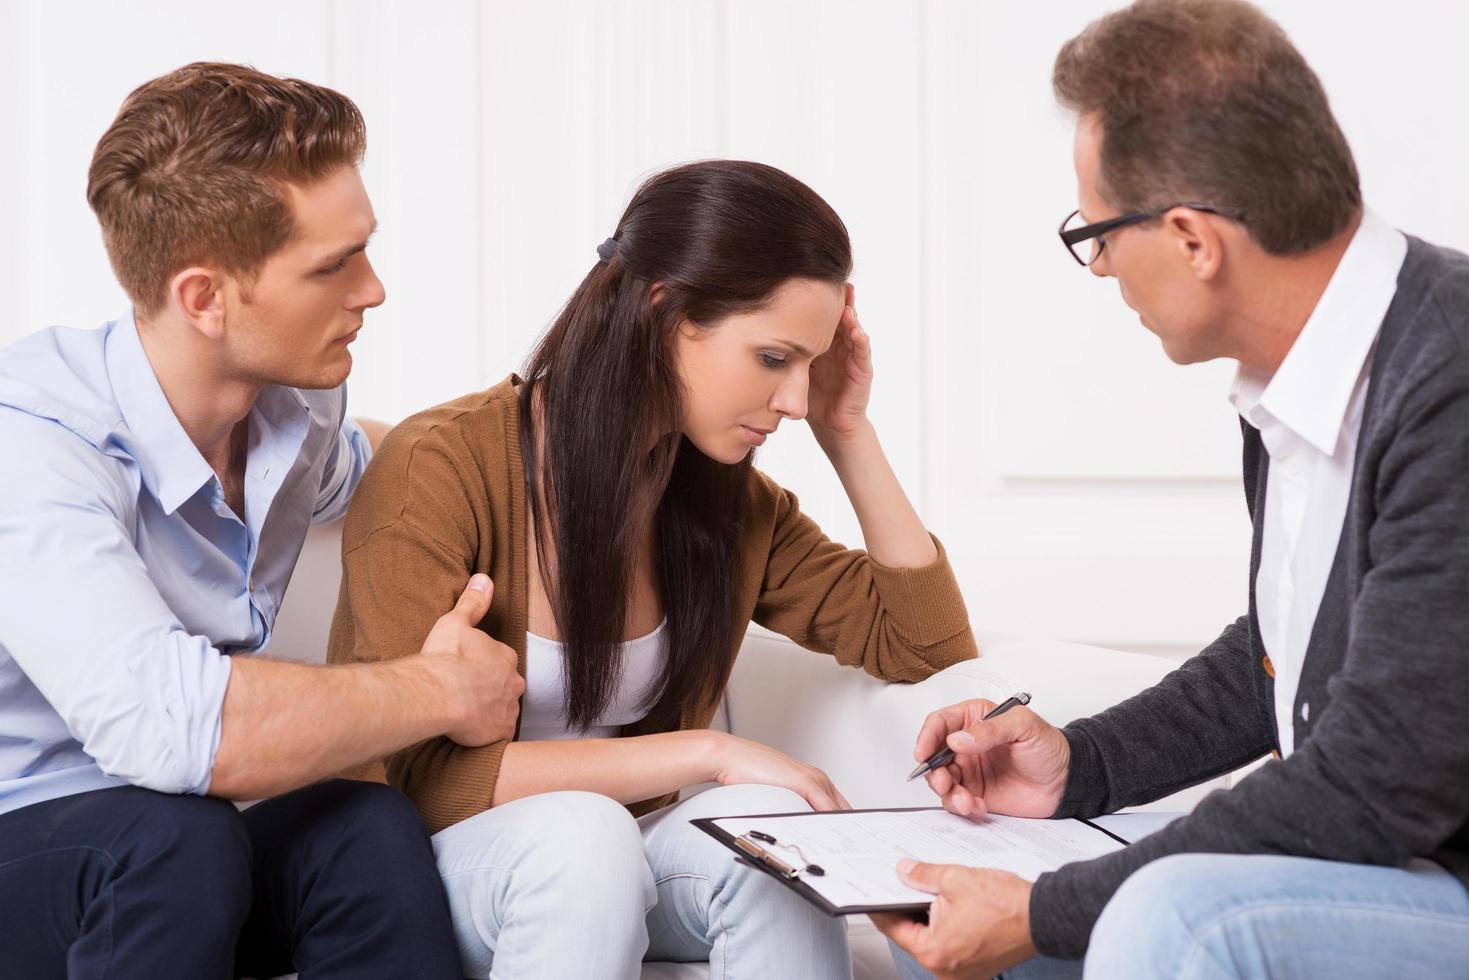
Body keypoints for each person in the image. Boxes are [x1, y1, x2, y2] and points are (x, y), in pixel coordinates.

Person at [875, 1, 1469, 977]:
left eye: (1097, 232)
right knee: (943, 921)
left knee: (1171, 919)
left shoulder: (1443, 375)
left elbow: (1373, 778)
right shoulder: (1299, 383)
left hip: (1428, 863)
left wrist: (1049, 905)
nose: (1099, 264)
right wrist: (1082, 763)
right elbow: (1283, 654)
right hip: (1395, 861)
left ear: (1191, 238)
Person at [328, 158, 978, 978]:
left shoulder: (728, 504)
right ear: (666, 312)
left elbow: (923, 644)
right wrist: (700, 753)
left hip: (621, 857)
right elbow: (407, 775)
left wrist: (846, 430)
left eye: (810, 367)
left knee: (770, 833)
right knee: (584, 834)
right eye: (775, 358)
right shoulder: (441, 465)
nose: (793, 399)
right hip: (443, 868)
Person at [0, 62, 522, 979]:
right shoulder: (32, 447)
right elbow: (172, 729)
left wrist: (565, 449)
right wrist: (441, 690)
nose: (373, 289)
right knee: (173, 835)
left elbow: (396, 469)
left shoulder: (296, 409)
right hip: (31, 840)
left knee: (363, 825)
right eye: (333, 265)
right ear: (204, 298)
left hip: (168, 851)